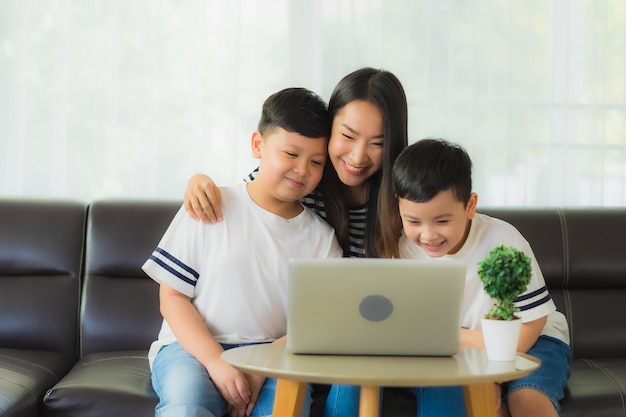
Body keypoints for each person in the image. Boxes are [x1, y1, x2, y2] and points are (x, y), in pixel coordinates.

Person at [143, 87, 343, 417]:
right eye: (291, 154)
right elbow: (173, 298)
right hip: (189, 350)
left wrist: (262, 366)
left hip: (275, 355)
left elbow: (316, 327)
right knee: (187, 406)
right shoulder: (210, 205)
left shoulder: (322, 239)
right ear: (258, 145)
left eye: (316, 161)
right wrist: (216, 362)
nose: (302, 169)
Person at [390, 138, 570, 417]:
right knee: (481, 406)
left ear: (470, 205)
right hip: (459, 351)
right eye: (413, 221)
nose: (427, 235)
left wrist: (488, 372)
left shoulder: (503, 241)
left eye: (442, 221)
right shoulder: (402, 251)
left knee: (528, 402)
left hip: (534, 340)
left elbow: (525, 333)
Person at [183, 67, 409, 259]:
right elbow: (245, 207)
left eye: (378, 143)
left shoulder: (406, 196)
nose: (358, 157)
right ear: (328, 129)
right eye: (348, 137)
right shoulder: (301, 177)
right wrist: (198, 181)